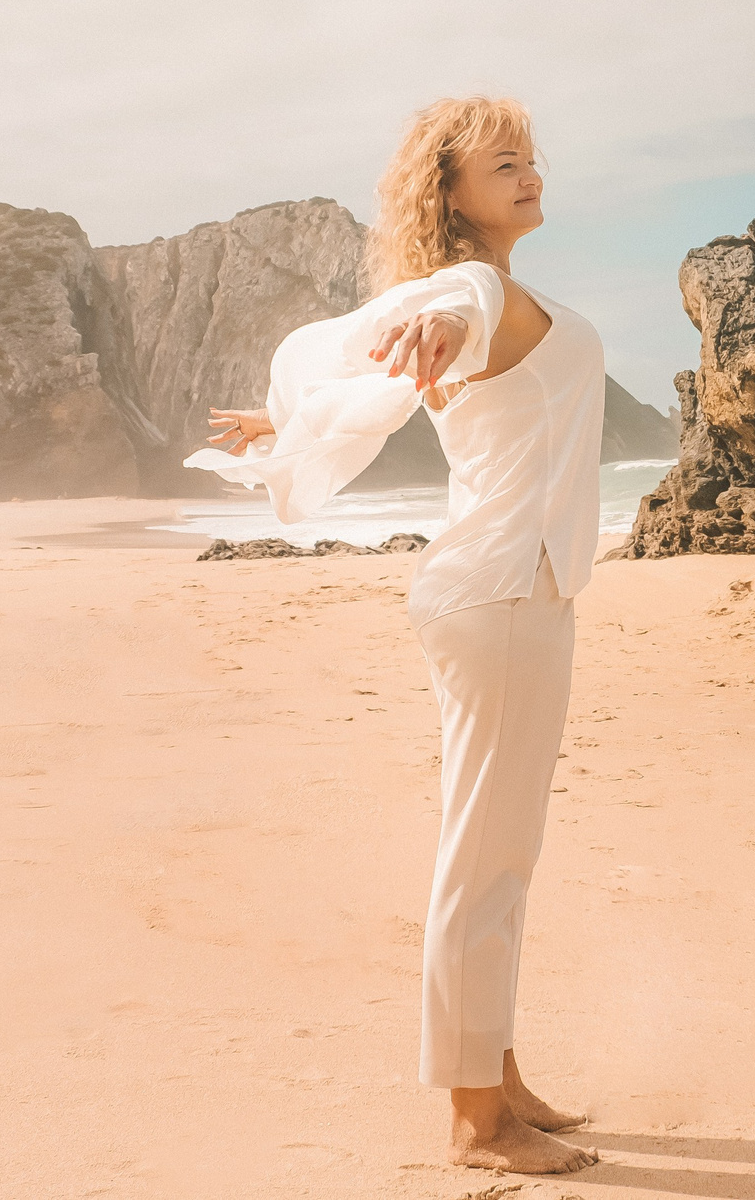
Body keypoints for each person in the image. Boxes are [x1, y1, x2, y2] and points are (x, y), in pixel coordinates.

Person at [186, 95, 604, 1177]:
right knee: (486, 854)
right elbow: (449, 314)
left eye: (531, 160)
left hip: (514, 591)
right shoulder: (471, 291)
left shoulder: (496, 295)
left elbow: (398, 347)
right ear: (450, 194)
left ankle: (497, 1073)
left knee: (505, 850)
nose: (530, 176)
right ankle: (476, 1120)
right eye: (502, 164)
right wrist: (446, 325)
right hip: (502, 594)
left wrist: (290, 416)